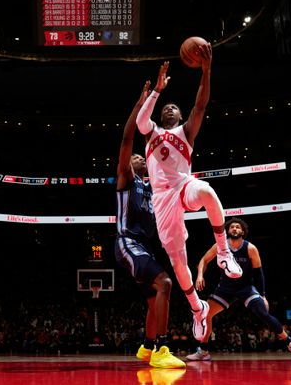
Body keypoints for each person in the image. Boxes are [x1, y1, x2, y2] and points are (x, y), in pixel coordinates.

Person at [135, 52, 242, 342]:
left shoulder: (187, 131)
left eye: (174, 108)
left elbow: (202, 103)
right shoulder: (151, 131)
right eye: (166, 107)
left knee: (207, 190)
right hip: (162, 200)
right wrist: (158, 90)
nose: (170, 109)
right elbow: (140, 120)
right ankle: (197, 308)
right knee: (178, 261)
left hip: (183, 185)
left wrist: (206, 70)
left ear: (181, 116)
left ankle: (223, 252)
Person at [115, 81, 185, 369]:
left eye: (141, 157)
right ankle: (162, 347)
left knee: (154, 298)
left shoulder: (153, 187)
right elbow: (126, 138)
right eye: (135, 157)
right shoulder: (126, 179)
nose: (138, 158)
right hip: (127, 242)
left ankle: (146, 346)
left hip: (144, 246)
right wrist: (141, 103)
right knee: (166, 283)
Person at [186, 217, 291, 361]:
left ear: (243, 231)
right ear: (227, 231)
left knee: (263, 313)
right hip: (225, 288)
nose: (234, 228)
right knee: (205, 314)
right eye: (232, 227)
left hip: (245, 288)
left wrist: (263, 295)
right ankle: (203, 351)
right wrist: (199, 276)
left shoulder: (250, 248)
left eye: (238, 227)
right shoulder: (220, 246)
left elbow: (258, 273)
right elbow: (204, 260)